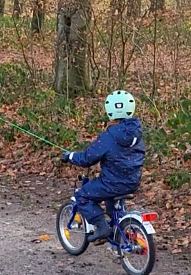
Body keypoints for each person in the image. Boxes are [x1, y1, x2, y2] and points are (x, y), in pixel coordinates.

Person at [60, 90, 146, 243]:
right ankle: (120, 230)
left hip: (112, 182)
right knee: (112, 205)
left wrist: (71, 156)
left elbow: (88, 158)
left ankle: (102, 227)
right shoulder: (137, 135)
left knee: (82, 196)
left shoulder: (109, 136)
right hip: (132, 181)